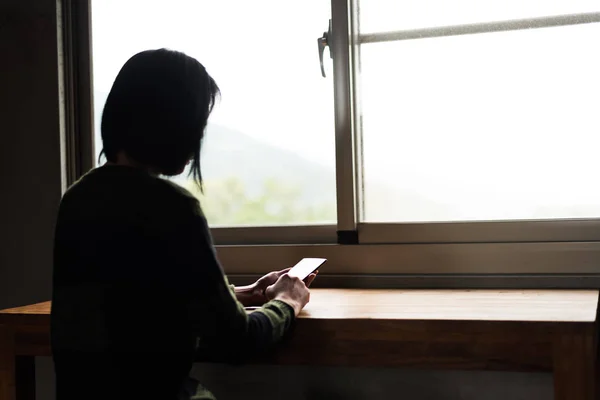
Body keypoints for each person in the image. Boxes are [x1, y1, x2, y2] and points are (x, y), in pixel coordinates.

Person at [51, 48, 315, 400]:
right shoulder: (172, 207)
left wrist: (241, 294)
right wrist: (288, 301)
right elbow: (237, 342)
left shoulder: (77, 199)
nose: (199, 137)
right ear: (172, 125)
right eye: (197, 124)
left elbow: (135, 305)